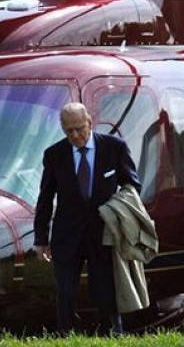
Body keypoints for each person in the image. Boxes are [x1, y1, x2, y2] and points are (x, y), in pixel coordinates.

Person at [34, 102, 140, 336]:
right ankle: (66, 335)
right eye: (68, 130)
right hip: (66, 235)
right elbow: (45, 198)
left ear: (90, 123)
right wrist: (41, 238)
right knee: (65, 292)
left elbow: (132, 185)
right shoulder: (54, 154)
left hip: (103, 232)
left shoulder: (114, 147)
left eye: (79, 128)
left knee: (104, 290)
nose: (75, 135)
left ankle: (111, 334)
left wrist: (117, 210)